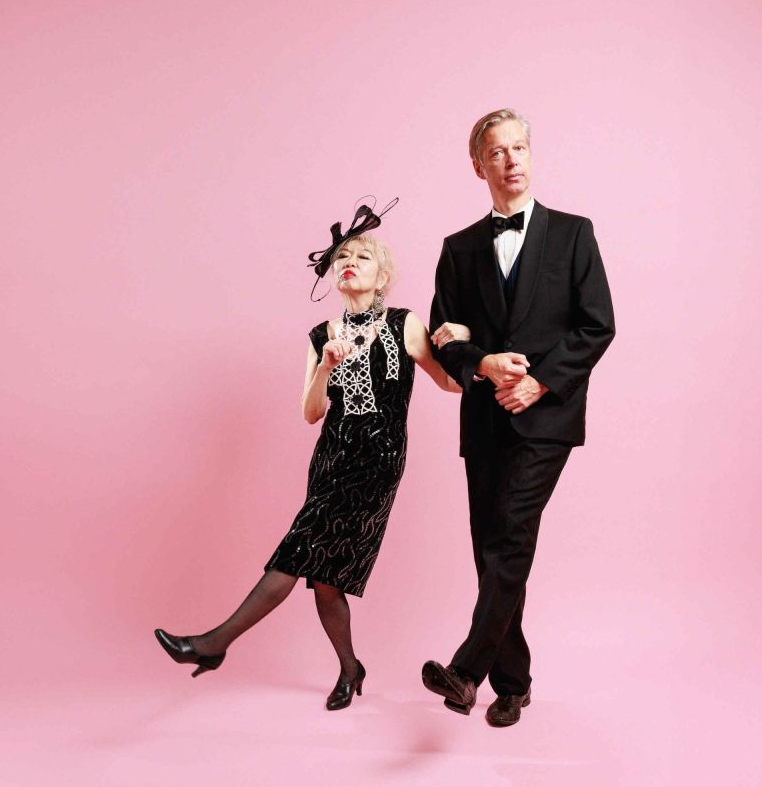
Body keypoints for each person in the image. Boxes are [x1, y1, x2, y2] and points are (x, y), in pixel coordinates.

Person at [155, 201, 469, 710]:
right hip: (330, 460)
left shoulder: (404, 323)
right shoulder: (322, 335)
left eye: (362, 257)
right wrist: (324, 366)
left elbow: (451, 383)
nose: (349, 262)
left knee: (297, 552)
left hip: (377, 463)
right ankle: (350, 668)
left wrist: (468, 340)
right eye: (341, 257)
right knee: (324, 577)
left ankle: (214, 644)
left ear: (382, 276)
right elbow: (310, 412)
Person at [422, 109, 615, 727]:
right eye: (497, 152)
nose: (511, 160)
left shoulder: (574, 234)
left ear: (532, 154)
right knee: (491, 550)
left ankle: (466, 671)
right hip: (483, 421)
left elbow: (597, 325)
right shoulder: (459, 248)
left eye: (519, 148)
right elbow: (444, 336)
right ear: (477, 165)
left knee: (509, 535)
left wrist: (538, 382)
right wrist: (481, 363)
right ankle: (514, 683)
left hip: (545, 418)